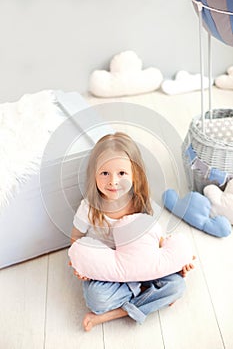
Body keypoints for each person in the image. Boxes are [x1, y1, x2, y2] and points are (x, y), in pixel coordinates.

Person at [70, 132, 195, 331]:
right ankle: (147, 295)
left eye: (121, 173)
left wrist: (179, 261)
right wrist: (78, 265)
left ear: (134, 174)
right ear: (94, 174)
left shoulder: (142, 204)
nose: (113, 181)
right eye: (104, 173)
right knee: (96, 299)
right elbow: (76, 238)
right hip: (108, 270)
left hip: (142, 263)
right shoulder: (89, 208)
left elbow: (158, 241)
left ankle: (119, 312)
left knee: (177, 286)